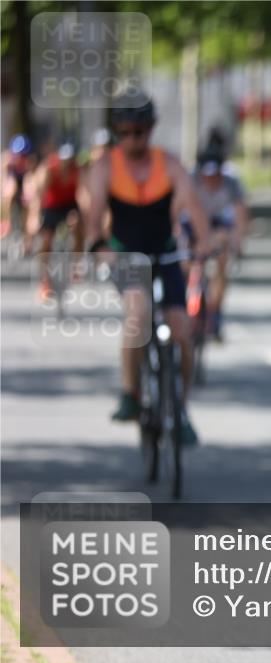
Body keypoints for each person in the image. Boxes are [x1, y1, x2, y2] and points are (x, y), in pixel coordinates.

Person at [83, 88, 214, 446]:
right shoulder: (105, 168)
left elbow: (194, 208)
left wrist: (203, 245)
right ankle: (131, 393)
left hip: (165, 254)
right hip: (126, 255)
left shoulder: (168, 164)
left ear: (151, 129)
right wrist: (100, 248)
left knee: (183, 331)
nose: (131, 140)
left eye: (138, 132)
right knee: (138, 309)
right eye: (123, 133)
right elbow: (93, 222)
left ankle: (181, 410)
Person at [181, 150, 250, 341]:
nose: (211, 180)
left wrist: (238, 241)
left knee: (222, 258)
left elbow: (241, 214)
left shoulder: (231, 183)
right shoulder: (190, 180)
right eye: (207, 175)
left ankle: (215, 310)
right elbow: (178, 212)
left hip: (219, 223)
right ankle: (187, 298)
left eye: (215, 175)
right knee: (185, 261)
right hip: (193, 222)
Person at [34, 142, 84, 299]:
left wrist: (83, 215)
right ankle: (44, 279)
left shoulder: (78, 170)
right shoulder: (50, 169)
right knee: (46, 240)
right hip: (52, 205)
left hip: (70, 204)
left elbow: (84, 193)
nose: (66, 164)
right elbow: (39, 194)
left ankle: (76, 265)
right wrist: (35, 216)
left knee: (78, 227)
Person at [2, 134, 37, 248]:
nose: (20, 157)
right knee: (9, 192)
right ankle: (6, 222)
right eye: (18, 154)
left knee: (27, 200)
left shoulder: (30, 161)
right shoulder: (7, 160)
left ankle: (27, 235)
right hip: (13, 180)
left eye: (23, 155)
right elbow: (4, 178)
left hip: (24, 180)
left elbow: (30, 178)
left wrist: (27, 194)